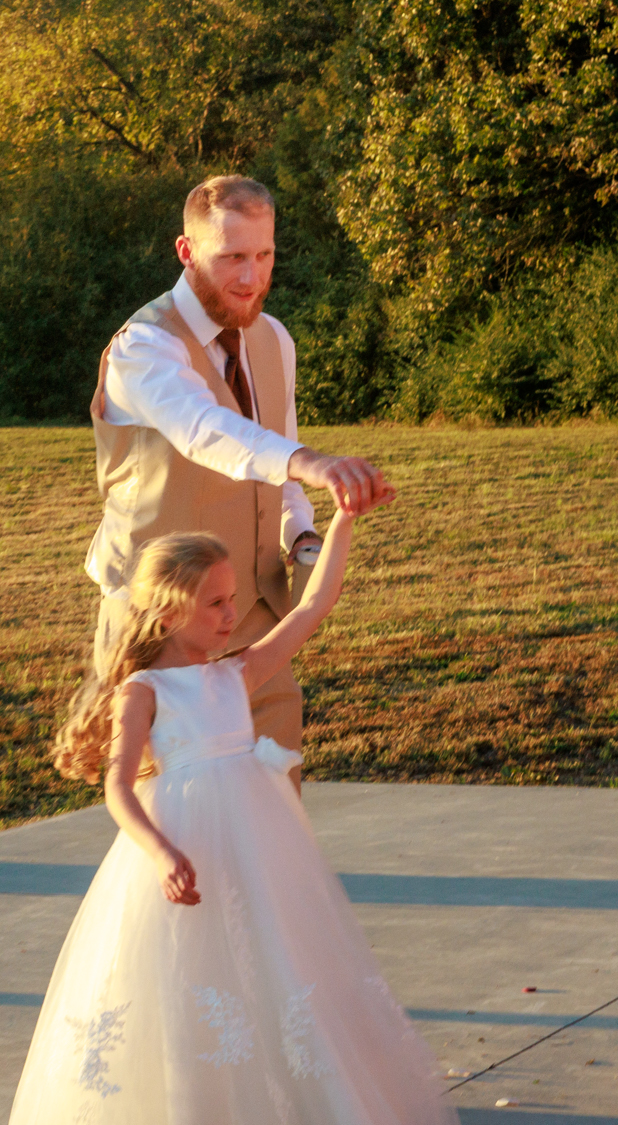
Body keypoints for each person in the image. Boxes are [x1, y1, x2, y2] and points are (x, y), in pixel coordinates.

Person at [0, 510, 460, 1125]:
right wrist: (161, 851)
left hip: (259, 846)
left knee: (278, 963)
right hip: (186, 842)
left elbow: (313, 606)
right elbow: (118, 788)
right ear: (168, 610)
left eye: (232, 598)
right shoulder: (144, 692)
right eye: (214, 602)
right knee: (188, 983)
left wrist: (342, 519)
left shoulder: (236, 672)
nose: (231, 613)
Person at [86, 174, 393, 784]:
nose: (252, 277)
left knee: (275, 803)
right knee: (174, 815)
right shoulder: (143, 347)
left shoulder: (275, 339)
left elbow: (278, 473)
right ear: (187, 251)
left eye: (264, 255)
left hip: (252, 618)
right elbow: (206, 430)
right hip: (158, 624)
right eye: (232, 257)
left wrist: (301, 534)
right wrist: (313, 460)